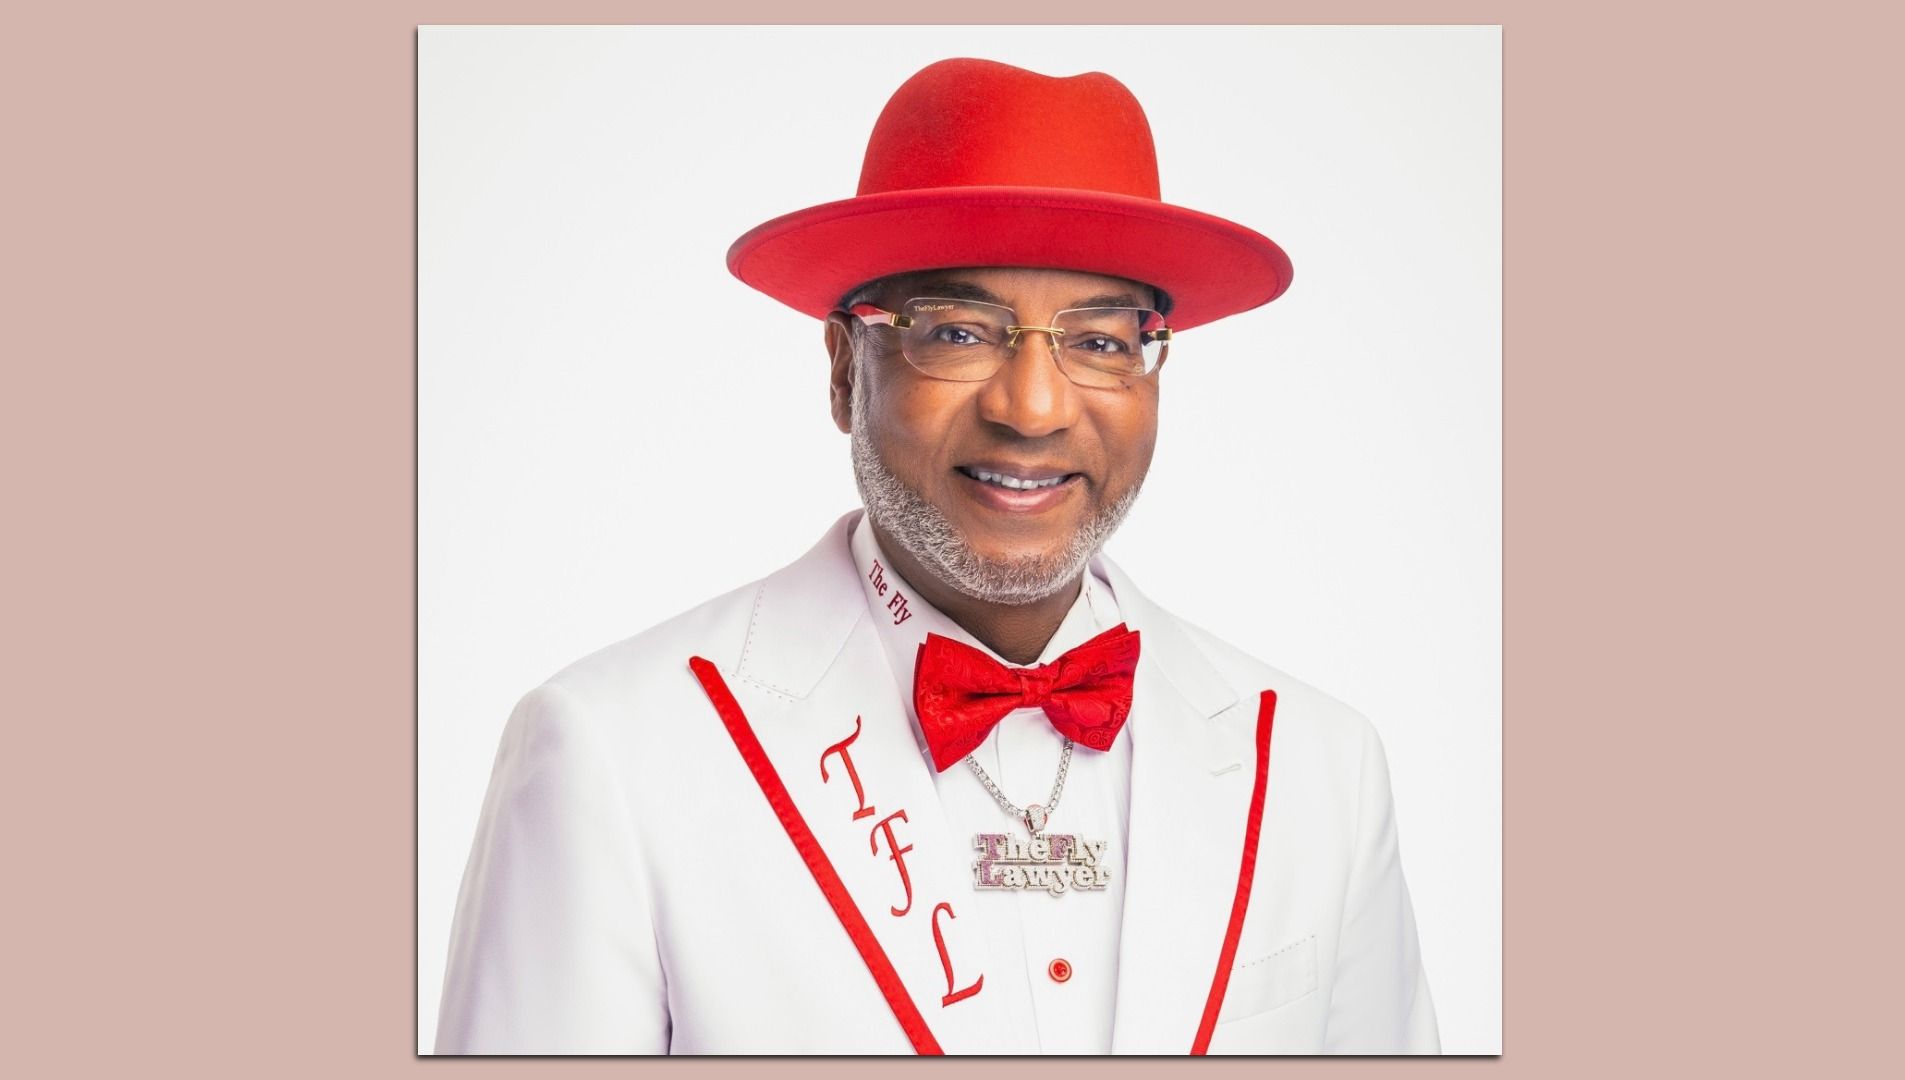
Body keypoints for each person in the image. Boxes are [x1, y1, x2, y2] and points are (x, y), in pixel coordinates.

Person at [434, 56, 1440, 1056]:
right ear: (842, 369)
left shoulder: (1321, 771)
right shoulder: (613, 758)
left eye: (1099, 340)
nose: (1033, 408)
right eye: (957, 331)